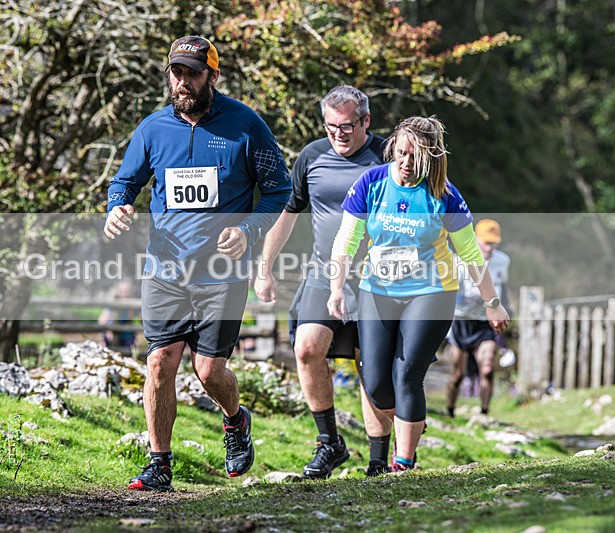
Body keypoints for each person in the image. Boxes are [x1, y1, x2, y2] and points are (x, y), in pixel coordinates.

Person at [104, 35, 291, 491]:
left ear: (212, 75)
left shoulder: (245, 125)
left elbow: (281, 190)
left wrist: (247, 232)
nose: (182, 81)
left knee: (208, 371)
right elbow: (124, 182)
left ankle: (235, 418)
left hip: (221, 275)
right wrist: (117, 207)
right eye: (175, 72)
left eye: (191, 72)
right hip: (166, 270)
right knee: (160, 363)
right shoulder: (152, 129)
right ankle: (159, 464)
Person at [327, 116, 510, 473]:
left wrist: (492, 303)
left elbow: (471, 254)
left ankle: (403, 462)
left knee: (407, 375)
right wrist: (337, 288)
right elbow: (346, 241)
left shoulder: (444, 194)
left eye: (416, 158)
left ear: (430, 159)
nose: (407, 164)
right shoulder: (371, 182)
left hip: (432, 291)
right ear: (393, 147)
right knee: (376, 381)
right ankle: (412, 421)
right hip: (377, 290)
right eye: (402, 154)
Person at [254, 85, 392, 478]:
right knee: (306, 348)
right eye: (331, 126)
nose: (339, 135)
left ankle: (379, 461)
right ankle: (329, 443)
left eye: (347, 126)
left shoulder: (386, 157)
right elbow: (288, 211)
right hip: (324, 272)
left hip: (377, 279)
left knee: (372, 365)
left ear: (366, 121)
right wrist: (265, 267)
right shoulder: (312, 156)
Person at [445, 219, 511, 417]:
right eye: (486, 242)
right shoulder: (459, 261)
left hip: (485, 321)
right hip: (461, 320)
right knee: (458, 374)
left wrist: (505, 309)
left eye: (493, 243)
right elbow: (448, 290)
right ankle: (450, 410)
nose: (489, 247)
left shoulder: (503, 260)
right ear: (476, 239)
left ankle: (484, 414)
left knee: (488, 368)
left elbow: (503, 286)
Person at [98, 279, 137, 350]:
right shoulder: (113, 303)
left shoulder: (131, 304)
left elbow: (130, 320)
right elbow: (102, 320)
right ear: (118, 292)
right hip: (113, 334)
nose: (125, 293)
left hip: (126, 335)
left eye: (127, 290)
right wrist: (107, 332)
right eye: (122, 291)